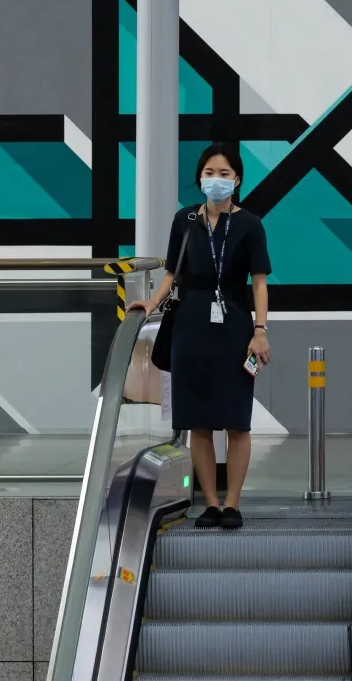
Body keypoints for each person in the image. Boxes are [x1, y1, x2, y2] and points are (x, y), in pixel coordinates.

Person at [136, 143, 273, 528]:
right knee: (198, 420)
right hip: (190, 324)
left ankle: (232, 503)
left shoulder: (250, 224)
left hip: (234, 323)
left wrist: (260, 330)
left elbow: (259, 283)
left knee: (236, 419)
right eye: (209, 173)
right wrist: (152, 303)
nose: (216, 180)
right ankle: (209, 502)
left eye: (224, 173)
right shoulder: (185, 220)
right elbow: (170, 275)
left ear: (238, 179)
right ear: (199, 178)